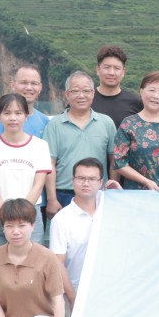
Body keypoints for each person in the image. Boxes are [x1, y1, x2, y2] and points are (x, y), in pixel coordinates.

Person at [0, 94, 53, 249]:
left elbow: (38, 186)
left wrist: (22, 218)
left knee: (31, 260)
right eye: (7, 113)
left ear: (26, 116)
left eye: (18, 113)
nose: (13, 118)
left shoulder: (40, 146)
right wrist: (6, 218)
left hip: (30, 214)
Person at [43, 71, 116, 215]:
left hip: (98, 193)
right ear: (67, 94)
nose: (81, 96)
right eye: (75, 91)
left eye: (86, 91)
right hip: (64, 194)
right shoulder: (55, 125)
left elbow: (114, 159)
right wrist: (52, 199)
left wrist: (112, 190)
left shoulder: (106, 122)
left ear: (93, 93)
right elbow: (49, 163)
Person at [111, 72, 159, 191]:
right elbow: (119, 163)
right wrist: (146, 182)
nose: (156, 96)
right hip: (137, 193)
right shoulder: (129, 124)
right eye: (152, 90)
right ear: (141, 91)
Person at [50, 158, 105, 306]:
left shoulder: (107, 209)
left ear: (100, 182)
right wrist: (72, 297)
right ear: (73, 181)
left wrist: (118, 194)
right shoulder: (61, 220)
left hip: (106, 287)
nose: (86, 183)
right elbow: (58, 263)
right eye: (81, 178)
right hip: (76, 289)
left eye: (92, 179)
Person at [0, 65, 51, 139]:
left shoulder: (44, 121)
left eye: (34, 83)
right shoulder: (0, 122)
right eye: (23, 83)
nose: (29, 88)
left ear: (40, 87)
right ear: (12, 85)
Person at [91, 45, 142, 126]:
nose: (111, 73)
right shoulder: (85, 99)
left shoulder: (136, 102)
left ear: (123, 72)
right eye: (107, 67)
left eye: (117, 68)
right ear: (98, 70)